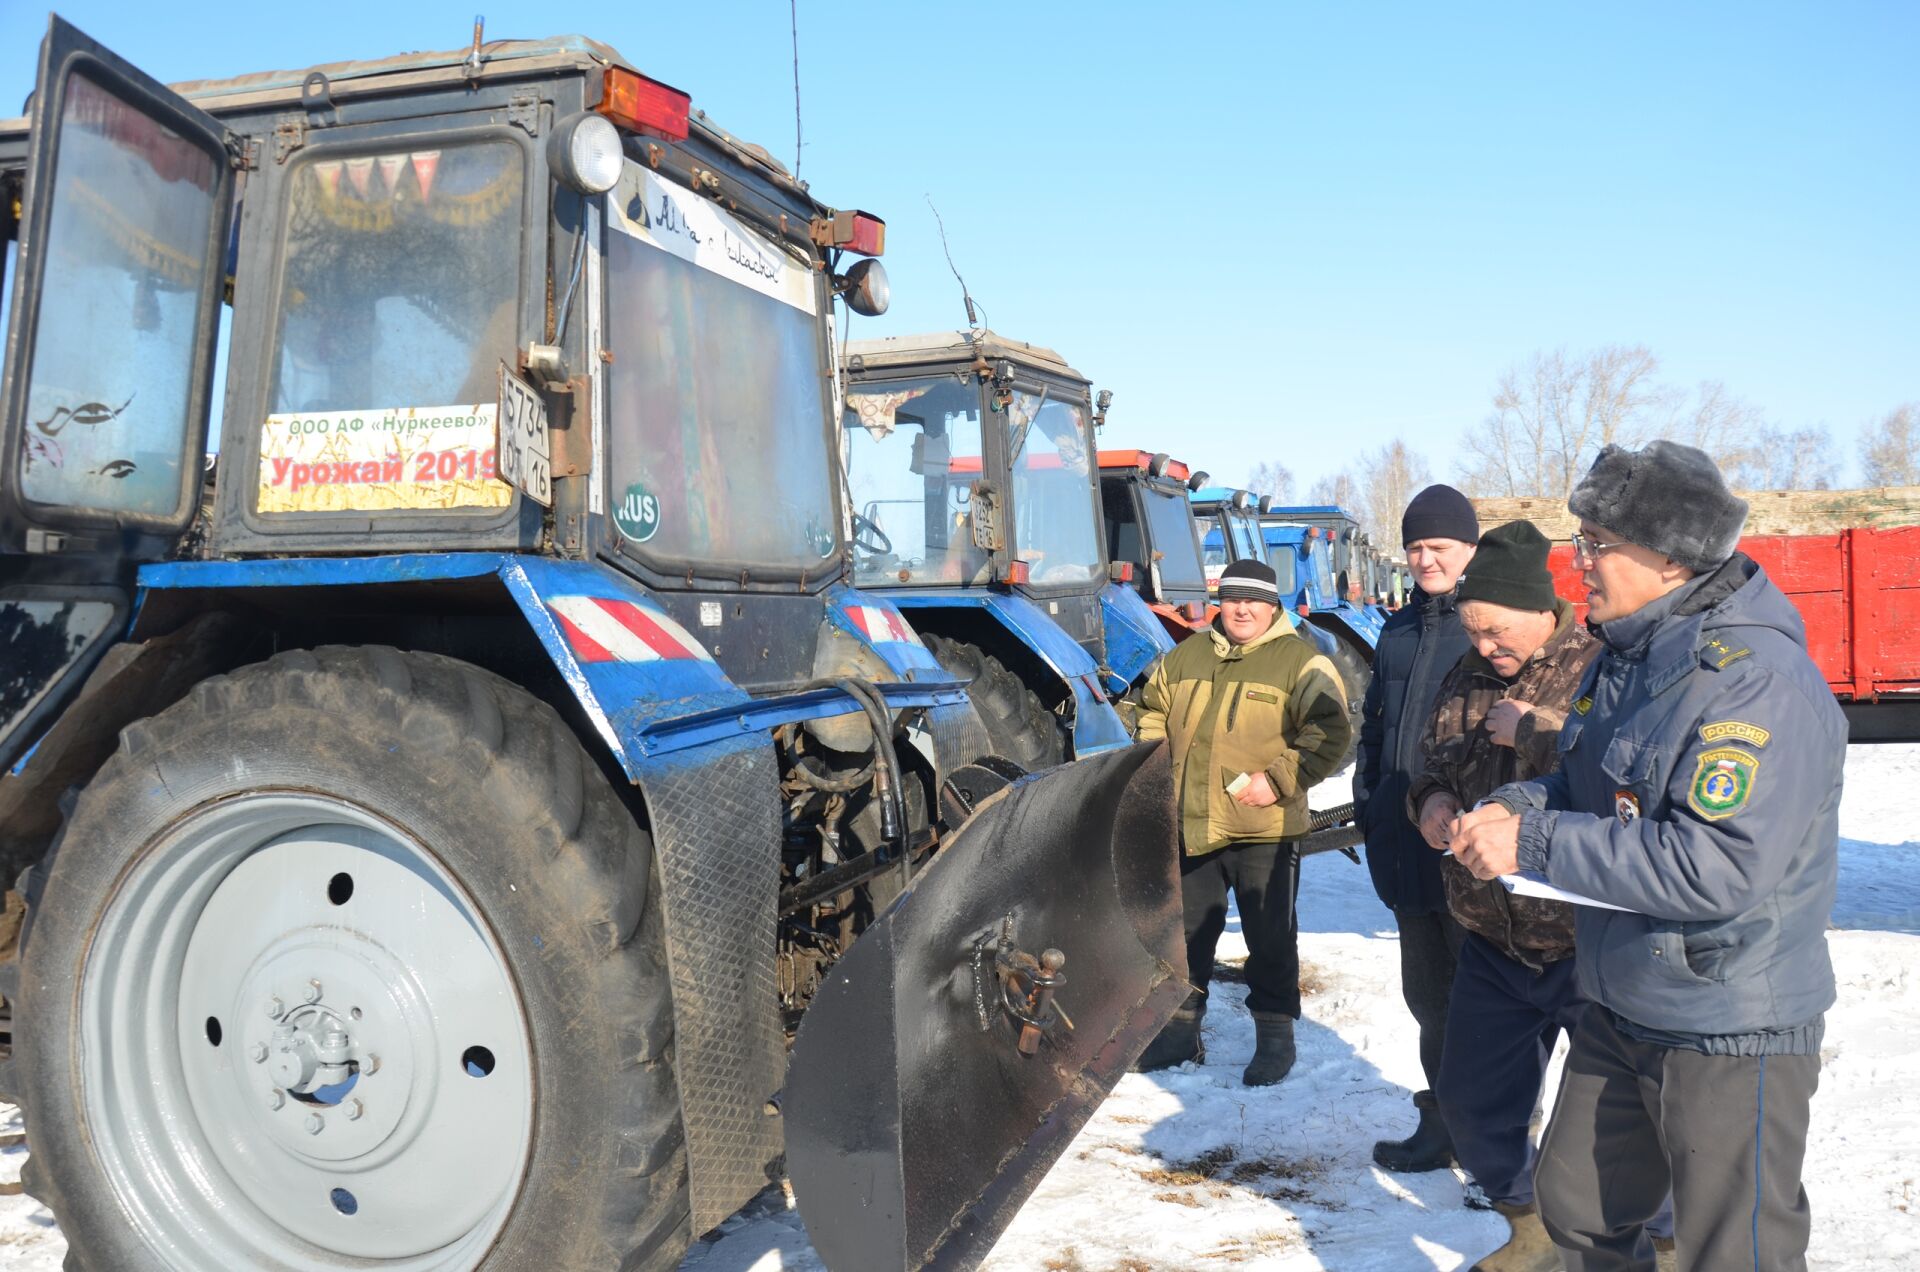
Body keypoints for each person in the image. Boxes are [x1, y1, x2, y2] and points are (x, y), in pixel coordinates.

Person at [1452, 440, 1843, 1272]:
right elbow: (1592, 784)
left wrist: (1533, 840)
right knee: (1580, 1208)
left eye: (1595, 543)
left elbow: (1715, 865)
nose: (1577, 562)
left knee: (1732, 1251)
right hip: (1624, 999)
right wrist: (1515, 805)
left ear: (1670, 557)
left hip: (1726, 1019)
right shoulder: (1631, 659)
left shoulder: (1753, 682)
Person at [1407, 521, 1600, 1272]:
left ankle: (1663, 1244)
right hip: (1493, 939)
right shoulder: (1464, 675)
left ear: (1540, 609)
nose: (1485, 647)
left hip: (1586, 941)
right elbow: (1433, 761)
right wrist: (1426, 803)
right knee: (1472, 1103)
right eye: (1474, 630)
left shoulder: (1597, 668)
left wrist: (1536, 731)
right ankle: (1532, 1229)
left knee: (1625, 1116)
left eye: (1496, 630)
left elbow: (1621, 774)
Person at [1133, 558, 1352, 1085]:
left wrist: (1276, 780)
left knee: (1270, 936)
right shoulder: (1185, 655)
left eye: (1254, 599)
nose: (1242, 608)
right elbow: (1151, 709)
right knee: (1188, 934)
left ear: (1272, 604)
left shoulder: (1301, 662)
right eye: (1233, 598)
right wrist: (1154, 758)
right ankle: (1181, 1029)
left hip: (1265, 827)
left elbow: (1329, 731)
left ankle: (1275, 1037)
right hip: (1193, 822)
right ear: (1220, 602)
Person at [1353, 484, 1478, 1170]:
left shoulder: (1486, 626)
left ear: (1470, 549)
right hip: (1403, 842)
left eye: (1440, 546)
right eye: (1416, 547)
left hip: (1467, 847)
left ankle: (1495, 1131)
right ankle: (1443, 1124)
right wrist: (1371, 800)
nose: (1426, 559)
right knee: (1427, 998)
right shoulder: (1398, 629)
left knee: (1480, 1000)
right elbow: (1375, 726)